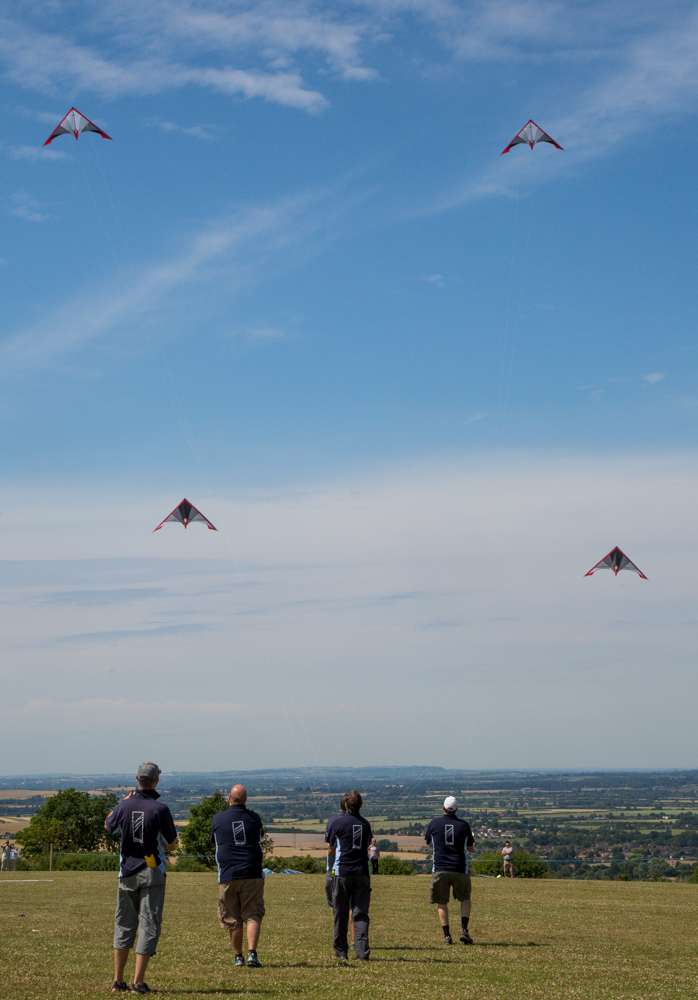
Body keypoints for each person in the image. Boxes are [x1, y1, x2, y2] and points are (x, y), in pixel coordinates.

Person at [105, 762, 178, 995]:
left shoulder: (124, 805)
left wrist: (123, 802)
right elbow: (171, 843)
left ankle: (118, 981)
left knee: (124, 924)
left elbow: (108, 825)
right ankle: (138, 982)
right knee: (149, 924)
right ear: (157, 780)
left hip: (126, 872)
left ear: (137, 778)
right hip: (152, 871)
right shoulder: (161, 808)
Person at [211, 784, 265, 969]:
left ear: (229, 798)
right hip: (252, 873)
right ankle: (252, 954)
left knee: (233, 918)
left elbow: (215, 840)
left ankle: (238, 957)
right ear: (246, 800)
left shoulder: (218, 818)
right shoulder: (255, 819)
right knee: (253, 914)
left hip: (228, 874)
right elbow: (259, 835)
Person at [325, 789, 372, 961]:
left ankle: (341, 951)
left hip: (342, 872)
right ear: (361, 806)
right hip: (362, 873)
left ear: (345, 805)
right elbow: (367, 845)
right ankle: (362, 952)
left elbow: (331, 848)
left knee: (341, 912)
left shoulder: (337, 823)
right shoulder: (366, 824)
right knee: (360, 914)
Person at [425, 795, 475, 946]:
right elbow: (470, 848)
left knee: (442, 901)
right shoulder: (464, 825)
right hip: (459, 867)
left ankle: (447, 936)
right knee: (465, 898)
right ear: (457, 809)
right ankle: (464, 930)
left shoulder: (434, 824)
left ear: (443, 808)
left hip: (440, 868)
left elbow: (429, 844)